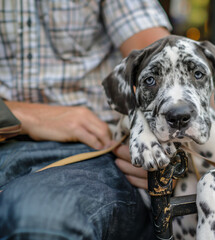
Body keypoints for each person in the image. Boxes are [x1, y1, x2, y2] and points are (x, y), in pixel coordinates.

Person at [0, 0, 171, 239]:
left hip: (92, 149)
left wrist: (180, 151)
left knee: (41, 216)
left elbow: (165, 62)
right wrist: (18, 113)